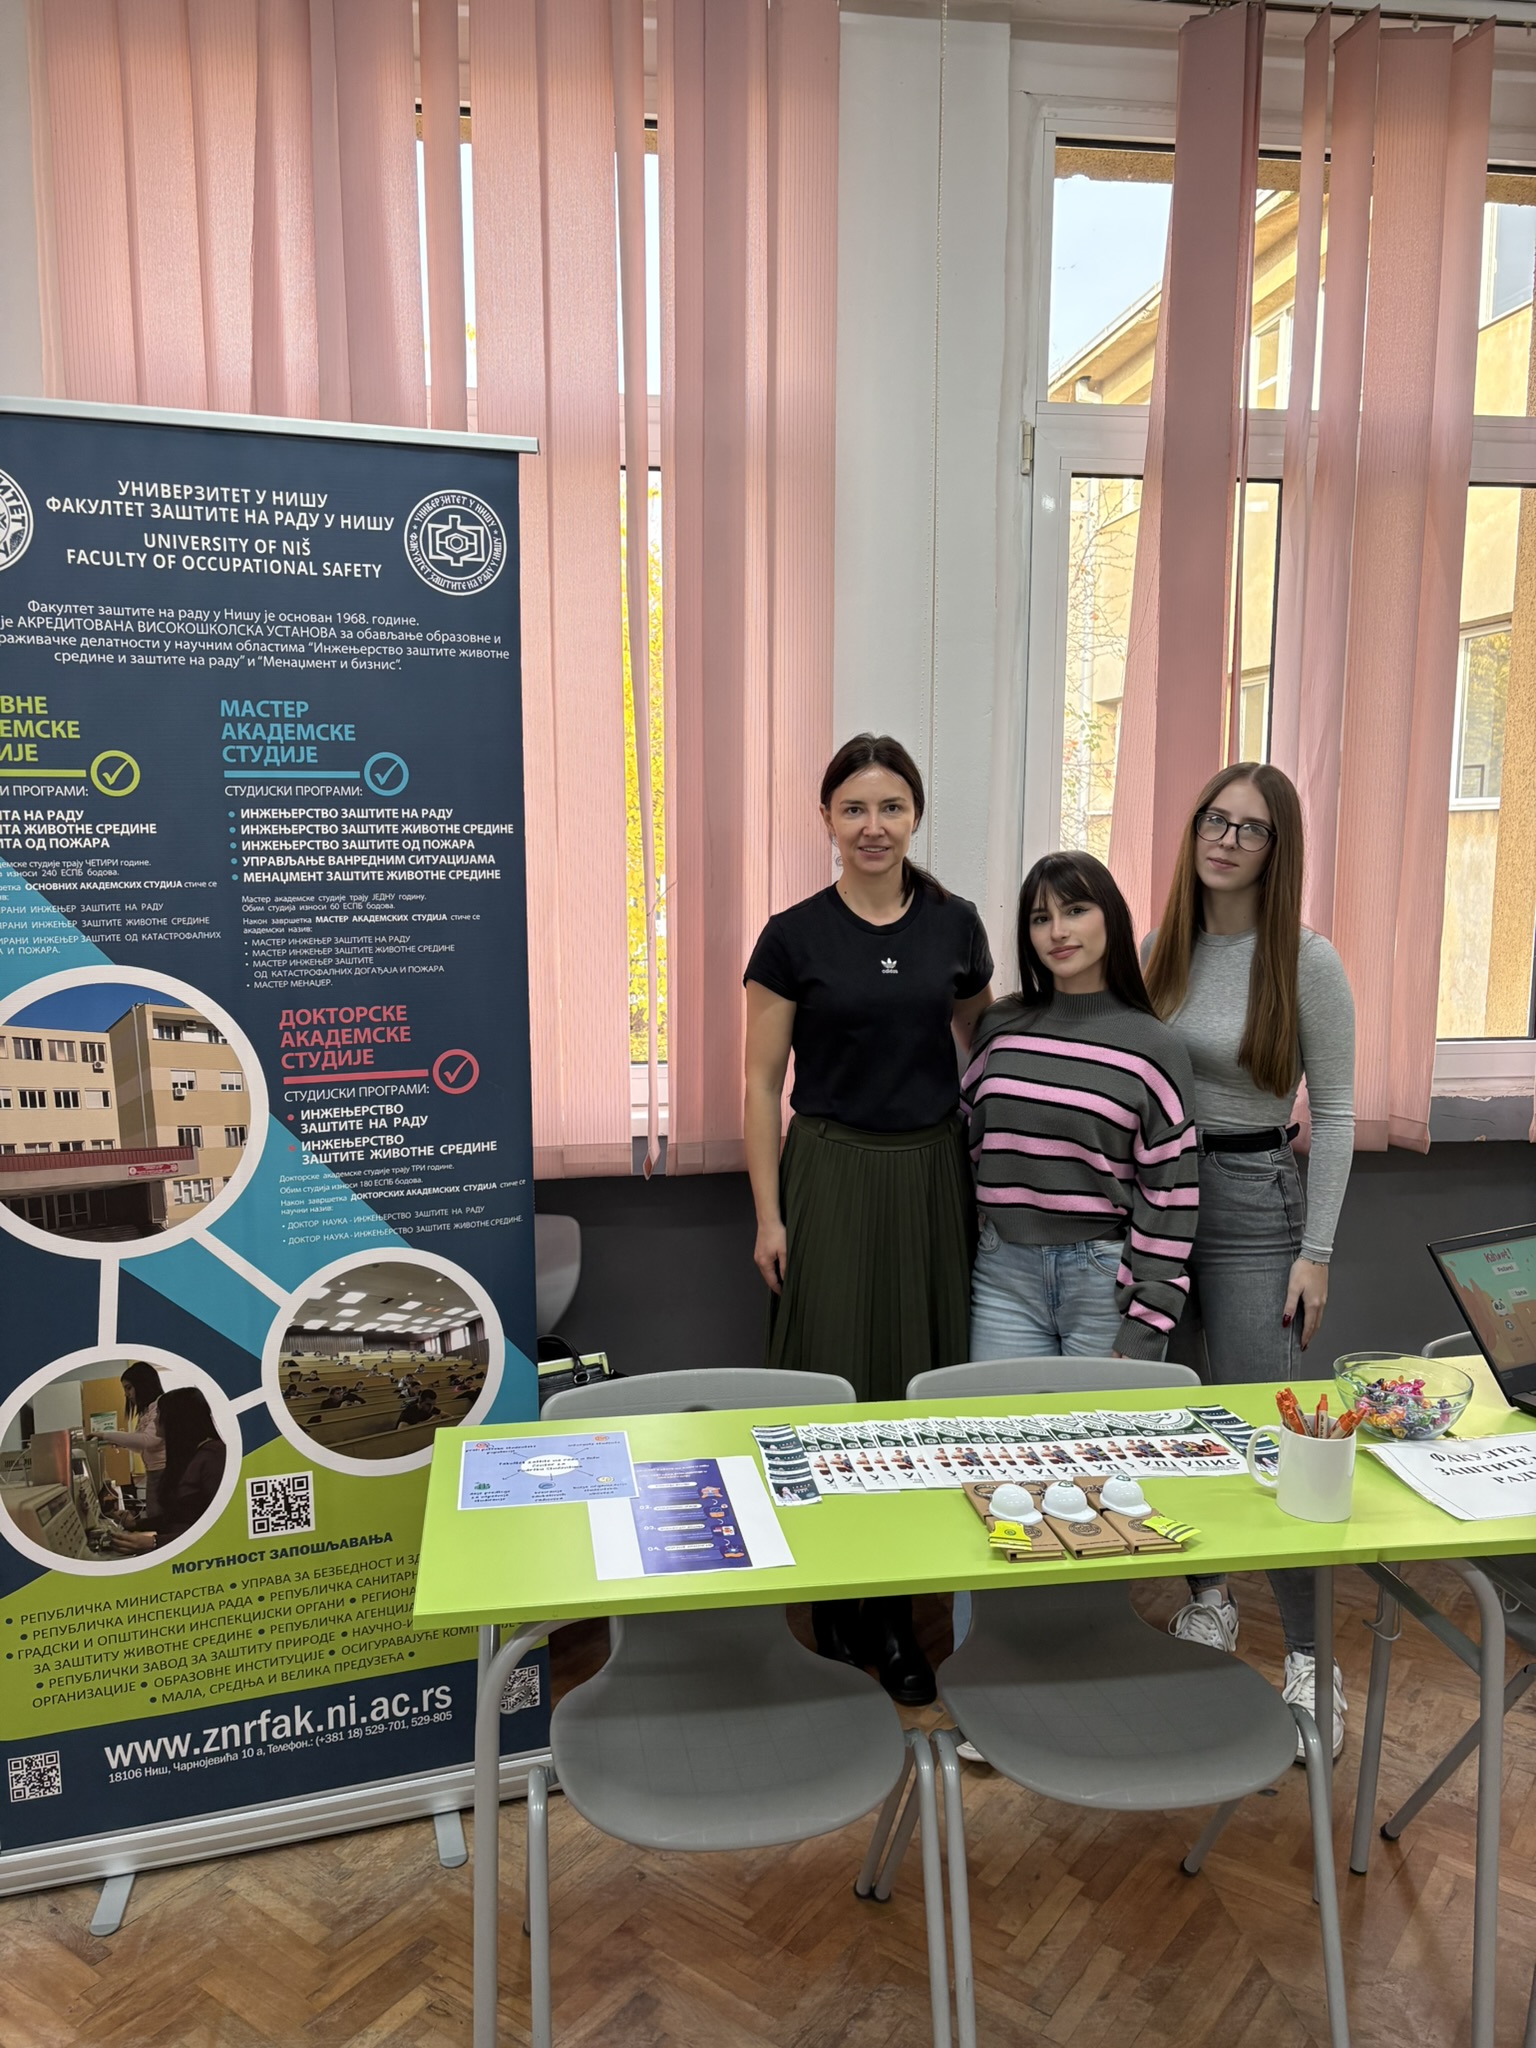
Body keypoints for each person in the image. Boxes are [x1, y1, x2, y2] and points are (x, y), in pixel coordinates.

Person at [743, 732, 994, 1704]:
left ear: (915, 816)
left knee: (912, 1390)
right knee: (832, 1389)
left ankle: (893, 1611)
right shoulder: (792, 937)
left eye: (891, 806)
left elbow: (988, 1049)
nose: (873, 825)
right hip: (831, 1173)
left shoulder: (956, 926)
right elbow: (761, 1083)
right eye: (854, 808)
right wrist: (768, 1215)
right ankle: (834, 1596)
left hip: (930, 1174)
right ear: (827, 819)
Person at [1145, 762, 1355, 1757]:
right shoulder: (1162, 948)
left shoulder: (1305, 960)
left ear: (1279, 849)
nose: (1226, 840)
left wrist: (1317, 1251)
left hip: (1254, 1203)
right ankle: (1210, 1600)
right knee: (1177, 1420)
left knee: (1270, 1439)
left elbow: (1339, 1112)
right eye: (1214, 820)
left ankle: (1312, 1662)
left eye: (1251, 829)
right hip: (1158, 1200)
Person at [963, 851, 1198, 1363]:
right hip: (1002, 1275)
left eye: (1075, 910)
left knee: (1108, 1419)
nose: (1057, 932)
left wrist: (1146, 1325)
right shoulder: (1001, 1027)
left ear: (1110, 916)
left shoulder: (1153, 1047)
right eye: (1040, 918)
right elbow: (970, 1143)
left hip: (1104, 1282)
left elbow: (1169, 1197)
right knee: (996, 1418)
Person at [109, 1388, 226, 1550]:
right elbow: (176, 1517)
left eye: (159, 1414)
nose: (155, 1420)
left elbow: (218, 1528)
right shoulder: (187, 1455)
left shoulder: (214, 1457)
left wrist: (155, 1542)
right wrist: (136, 1524)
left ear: (177, 1418)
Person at [92, 1362, 166, 1519]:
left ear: (143, 1384)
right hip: (154, 1473)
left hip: (164, 1473)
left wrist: (105, 1435)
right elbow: (140, 1447)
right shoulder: (146, 1411)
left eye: (129, 1388)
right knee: (154, 1516)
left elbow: (146, 1441)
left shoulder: (161, 1406)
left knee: (159, 1518)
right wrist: (120, 1442)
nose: (126, 1394)